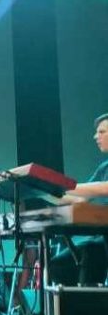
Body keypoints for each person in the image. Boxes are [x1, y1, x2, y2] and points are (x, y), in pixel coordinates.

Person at [50, 113, 108, 287]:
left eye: (102, 132)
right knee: (57, 266)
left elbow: (104, 188)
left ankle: (91, 301)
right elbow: (80, 198)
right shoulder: (104, 168)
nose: (95, 136)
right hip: (104, 236)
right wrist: (46, 193)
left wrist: (62, 187)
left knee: (90, 253)